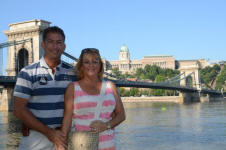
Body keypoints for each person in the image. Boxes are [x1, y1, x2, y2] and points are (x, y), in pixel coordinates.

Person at [13, 26, 76, 150]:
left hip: (64, 140)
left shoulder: (74, 73)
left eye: (59, 43)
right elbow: (18, 110)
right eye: (50, 42)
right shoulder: (27, 73)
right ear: (43, 45)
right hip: (35, 141)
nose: (55, 46)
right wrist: (50, 133)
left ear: (64, 47)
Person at [60, 48, 126, 150]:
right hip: (82, 146)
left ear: (100, 65)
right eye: (86, 62)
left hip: (109, 146)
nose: (91, 65)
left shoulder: (110, 86)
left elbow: (121, 115)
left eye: (95, 62)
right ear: (81, 66)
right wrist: (62, 144)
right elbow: (67, 120)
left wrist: (106, 125)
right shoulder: (72, 88)